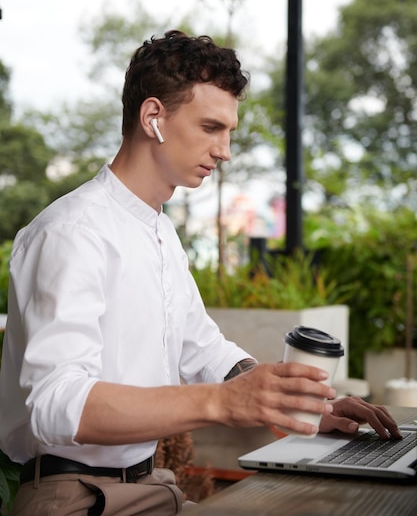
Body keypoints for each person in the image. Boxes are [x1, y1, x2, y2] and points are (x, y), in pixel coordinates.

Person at [0, 30, 401, 516]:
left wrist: (291, 400)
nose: (226, 150)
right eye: (211, 127)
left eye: (229, 131)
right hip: (76, 499)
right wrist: (224, 403)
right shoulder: (72, 233)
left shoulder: (160, 232)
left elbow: (202, 347)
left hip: (149, 488)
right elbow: (55, 405)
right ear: (154, 118)